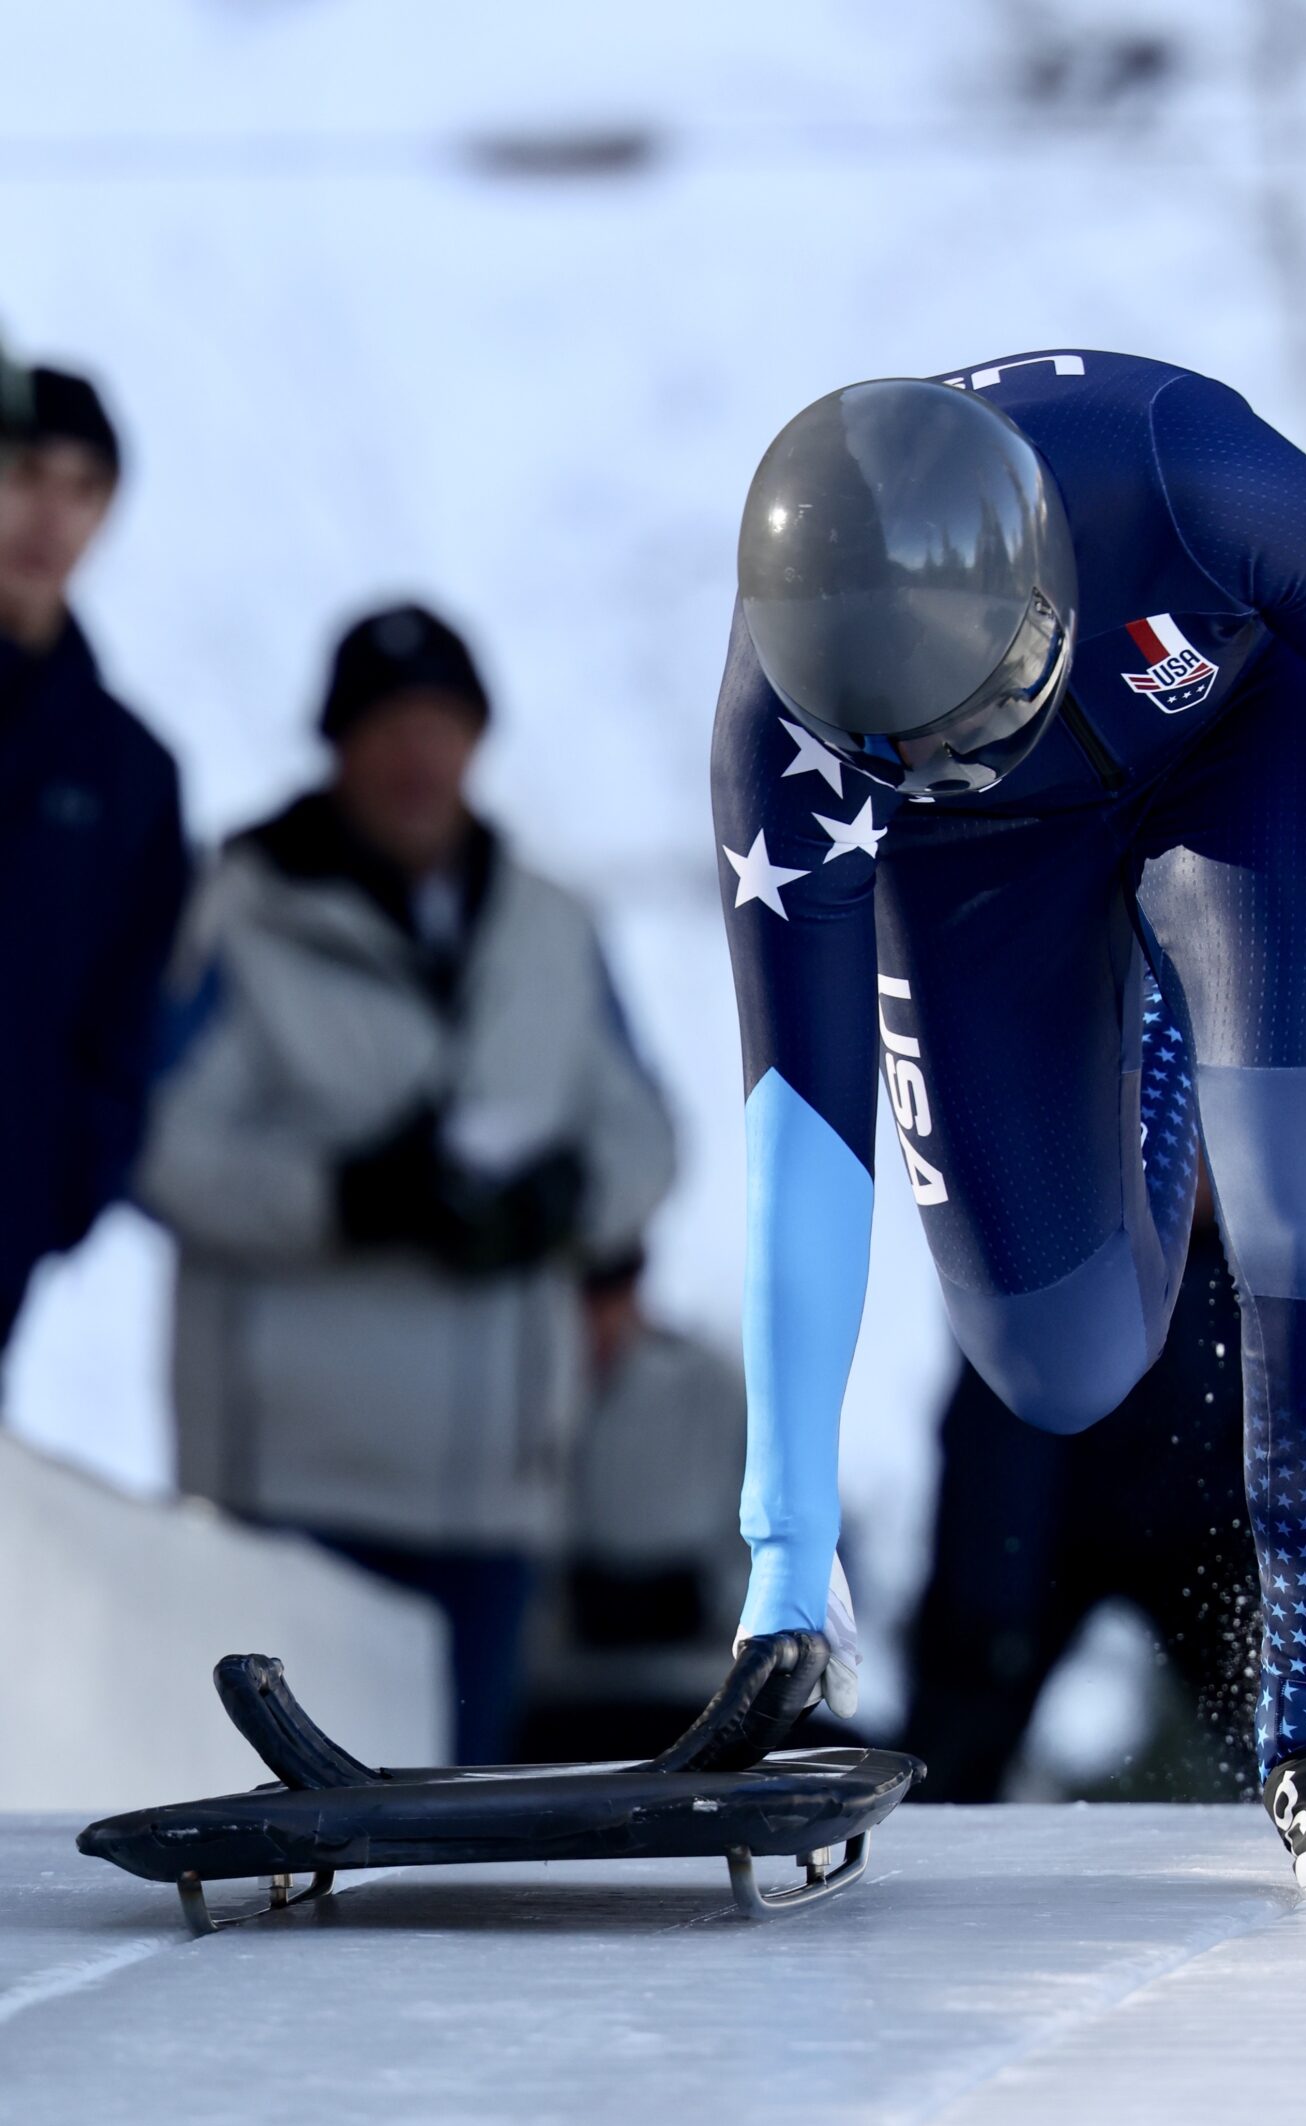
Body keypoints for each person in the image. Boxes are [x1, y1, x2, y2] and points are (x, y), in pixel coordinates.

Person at [703, 348, 1306, 1889]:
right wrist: (783, 1549)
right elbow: (801, 1134)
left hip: (1239, 762)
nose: (960, 738)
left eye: (980, 704)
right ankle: (1146, 1026)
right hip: (974, 870)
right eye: (913, 737)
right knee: (1059, 1368)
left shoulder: (1187, 471)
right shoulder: (786, 741)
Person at [138, 603, 675, 1759]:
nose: (416, 755)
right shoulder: (237, 914)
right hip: (282, 1490)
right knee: (279, 1846)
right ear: (335, 744)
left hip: (491, 1495)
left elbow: (644, 1138)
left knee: (450, 1883)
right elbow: (156, 1147)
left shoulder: (551, 927)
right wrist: (346, 1199)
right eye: (386, 726)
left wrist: (561, 1203)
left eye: (441, 724)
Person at [904, 1183, 1253, 1803]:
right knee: (956, 1742)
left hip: (1204, 1531)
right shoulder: (1041, 1216)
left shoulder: (1264, 1254)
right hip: (1046, 1530)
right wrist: (990, 1605)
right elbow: (993, 1434)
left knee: (1275, 1710)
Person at [0, 361, 189, 1359]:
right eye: (28, 473)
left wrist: (61, 1183)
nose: (51, 515)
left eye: (85, 488)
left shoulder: (130, 774)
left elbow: (127, 1015)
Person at [519, 1248, 752, 1762]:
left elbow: (761, 1551)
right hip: (553, 1697)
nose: (594, 1318)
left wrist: (691, 1603)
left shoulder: (706, 1387)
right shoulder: (509, 1392)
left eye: (609, 1294)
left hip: (695, 1690)